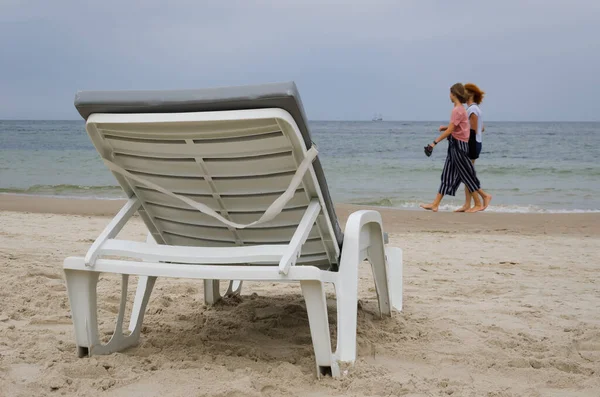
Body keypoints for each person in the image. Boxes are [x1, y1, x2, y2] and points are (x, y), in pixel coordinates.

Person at [420, 83, 492, 212]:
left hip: (459, 146)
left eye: (450, 93)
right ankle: (435, 204)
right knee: (447, 175)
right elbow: (457, 128)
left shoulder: (458, 110)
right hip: (455, 144)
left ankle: (479, 201)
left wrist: (434, 143)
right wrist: (446, 129)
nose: (449, 96)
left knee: (466, 175)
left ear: (454, 95)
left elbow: (451, 130)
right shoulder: (460, 110)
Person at [455, 83, 486, 212]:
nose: (463, 93)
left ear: (471, 94)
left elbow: (472, 130)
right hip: (475, 142)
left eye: (465, 91)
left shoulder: (472, 109)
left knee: (467, 174)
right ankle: (468, 204)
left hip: (471, 143)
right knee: (467, 173)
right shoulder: (475, 108)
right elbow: (482, 128)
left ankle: (477, 203)